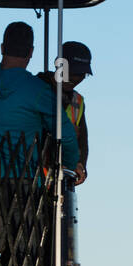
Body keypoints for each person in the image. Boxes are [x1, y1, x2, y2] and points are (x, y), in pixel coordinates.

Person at [0, 21, 80, 176]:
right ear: (31, 52)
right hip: (20, 186)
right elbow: (67, 137)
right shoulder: (39, 90)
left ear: (2, 48)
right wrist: (71, 165)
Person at [37, 40, 91, 185]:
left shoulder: (78, 102)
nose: (74, 78)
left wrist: (80, 164)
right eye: (71, 71)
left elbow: (82, 143)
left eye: (81, 74)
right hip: (33, 181)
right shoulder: (36, 89)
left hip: (61, 185)